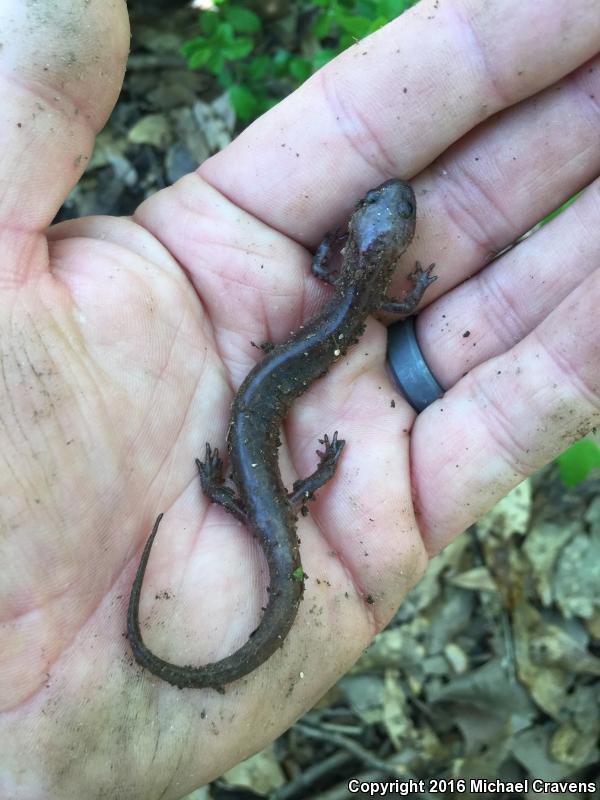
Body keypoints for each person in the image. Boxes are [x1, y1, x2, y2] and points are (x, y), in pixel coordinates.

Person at [0, 0, 598, 797]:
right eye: (390, 221)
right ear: (376, 253)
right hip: (267, 448)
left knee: (261, 494)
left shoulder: (352, 287)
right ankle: (226, 533)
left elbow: (330, 274)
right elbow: (373, 303)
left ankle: (230, 532)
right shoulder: (373, 298)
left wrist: (299, 476)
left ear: (357, 243)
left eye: (387, 221)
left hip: (265, 436)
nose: (390, 212)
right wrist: (308, 470)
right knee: (264, 499)